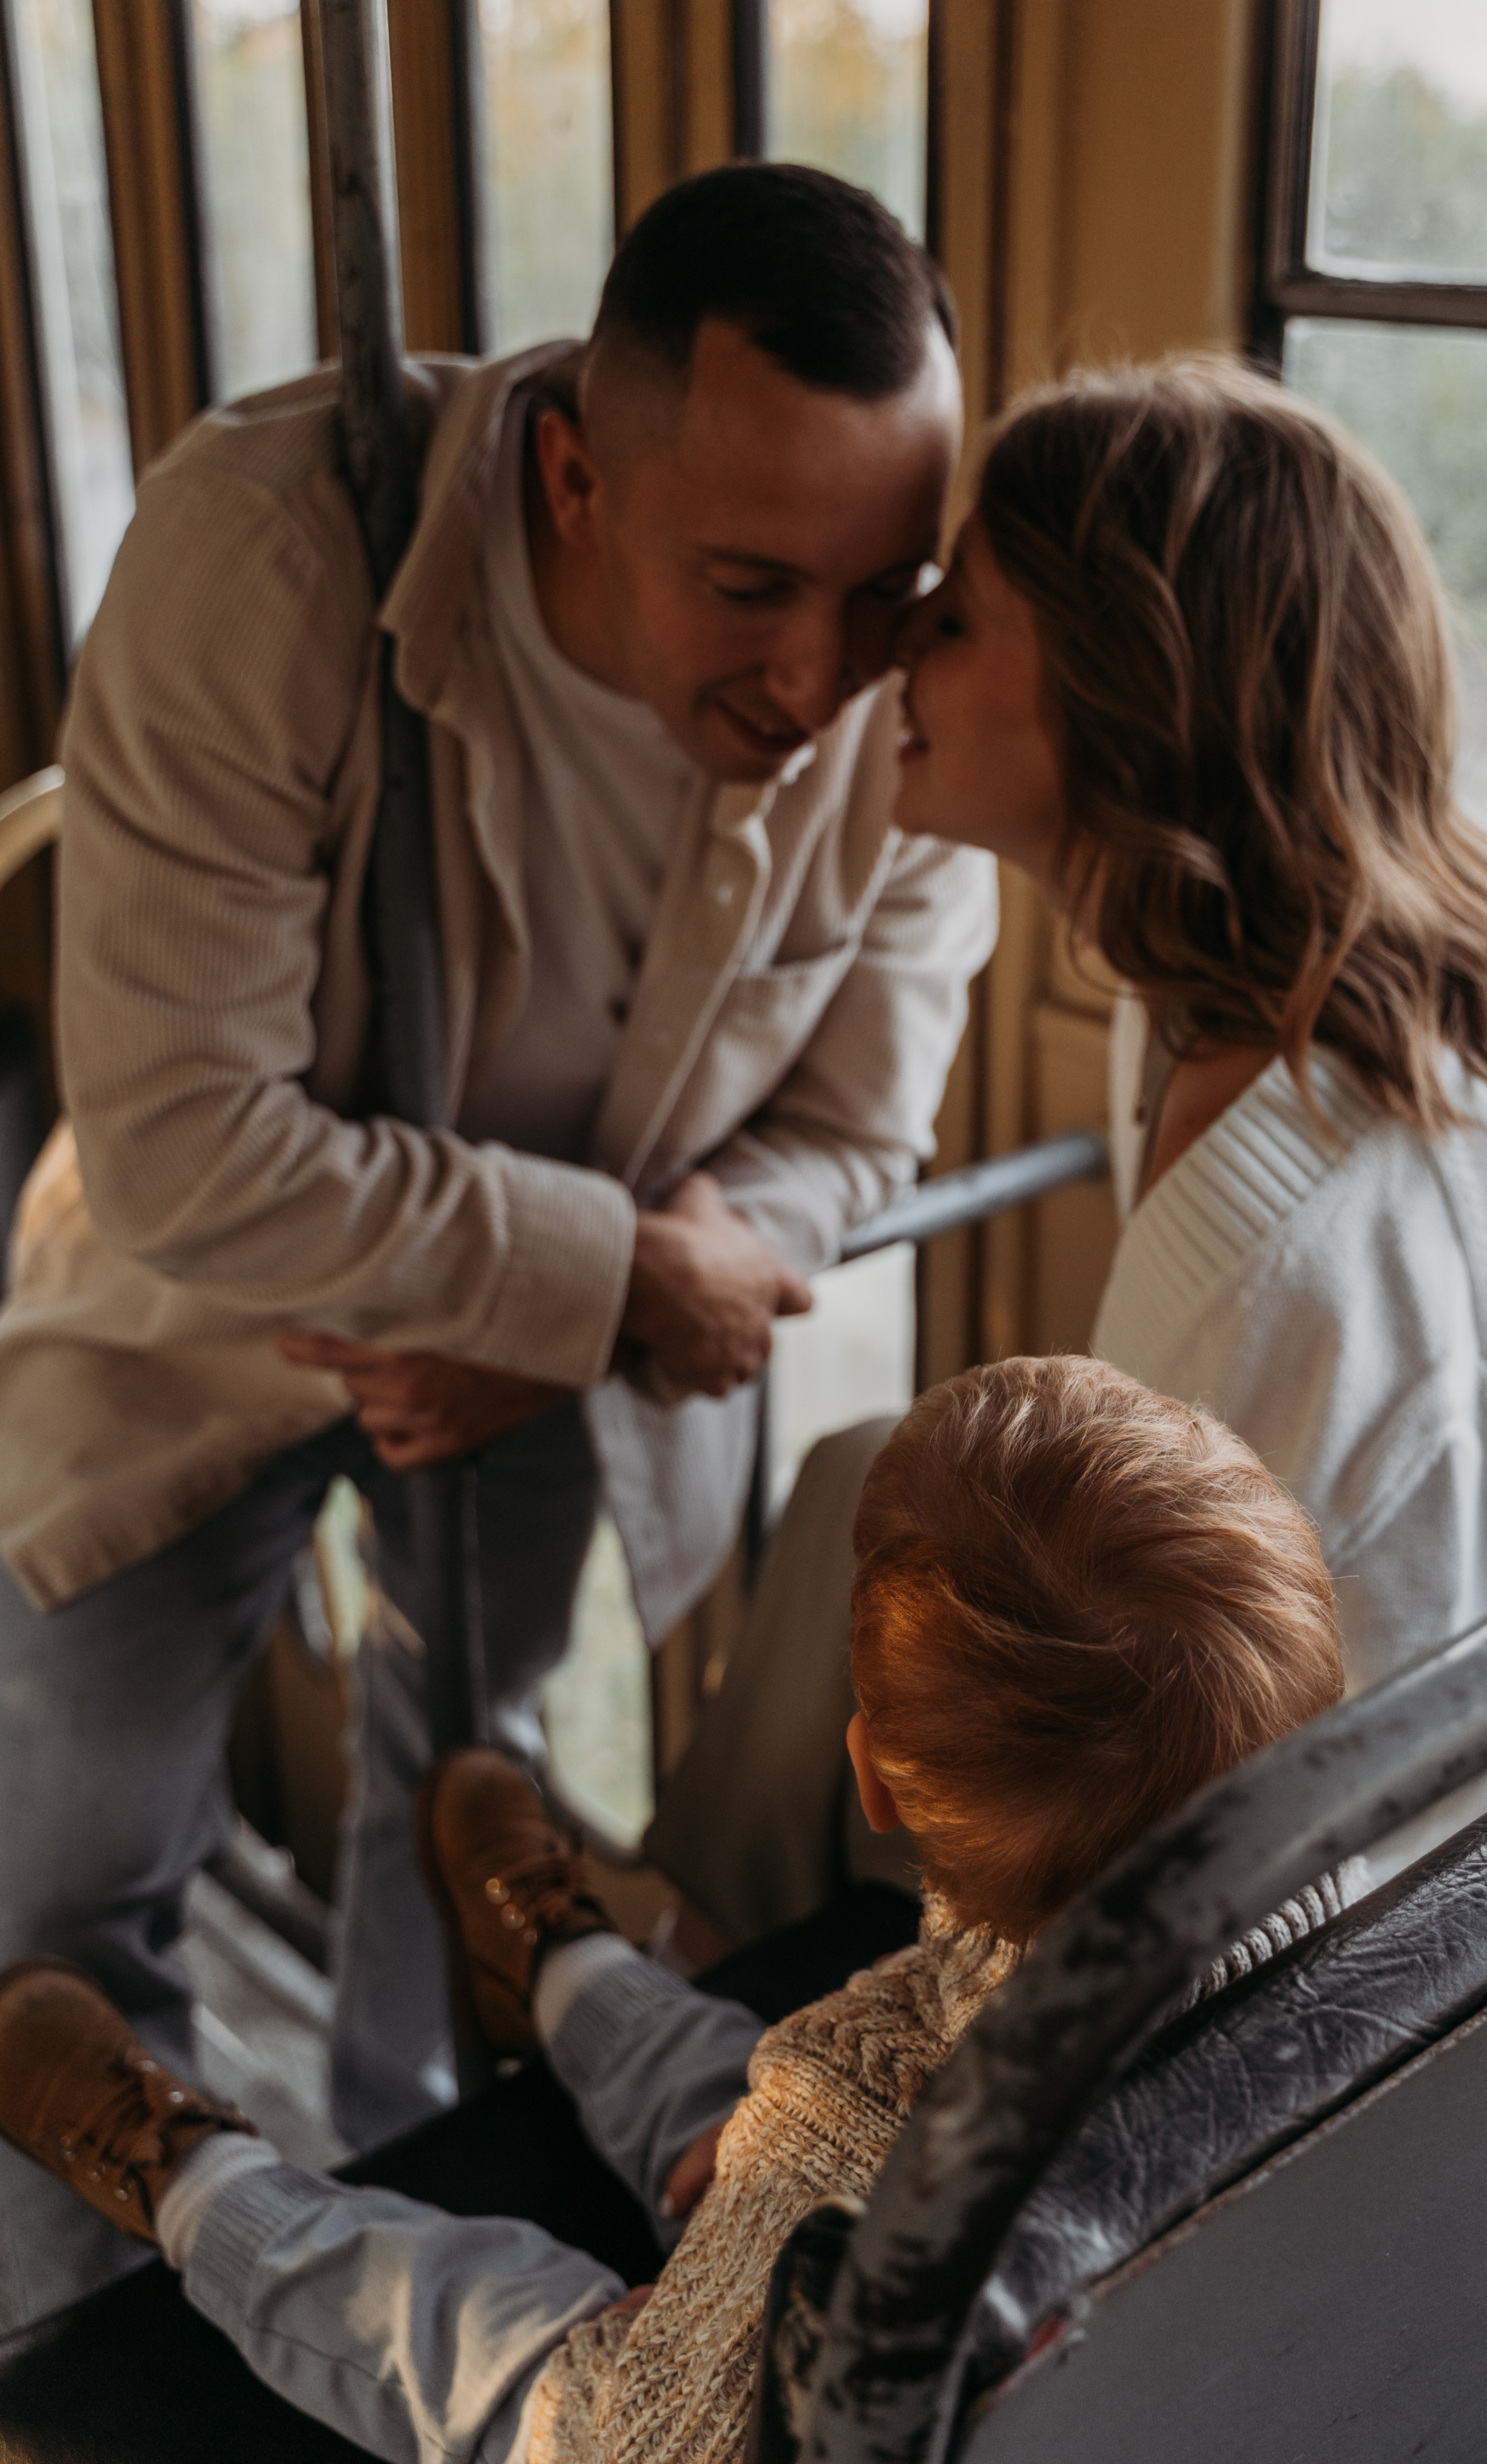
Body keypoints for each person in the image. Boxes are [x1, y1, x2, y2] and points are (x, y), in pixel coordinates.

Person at [0, 161, 998, 2334]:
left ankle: (382, 2235)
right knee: (58, 1893)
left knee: (462, 1826)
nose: (826, 679)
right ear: (570, 473)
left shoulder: (881, 674)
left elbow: (851, 1129)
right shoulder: (268, 550)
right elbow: (183, 1148)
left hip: (549, 1360)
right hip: (188, 1331)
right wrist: (605, 1282)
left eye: (884, 592)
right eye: (751, 588)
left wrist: (585, 1311)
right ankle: (81, 2362)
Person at [664, 352, 1487, 1932]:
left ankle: (664, 1983)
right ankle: (690, 1923)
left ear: (1119, 704)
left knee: (904, 1591)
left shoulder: (1304, 1267)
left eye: (956, 615)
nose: (893, 642)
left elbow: (1247, 1846)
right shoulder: (1270, 998)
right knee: (863, 1473)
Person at [0, 1354, 1350, 2464]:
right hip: (1000, 2185)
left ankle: (181, 2169)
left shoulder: (848, 2144)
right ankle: (560, 1961)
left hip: (688, 2402)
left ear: (872, 1778)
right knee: (743, 2093)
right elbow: (864, 2092)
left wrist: (708, 2323)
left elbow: (656, 2437)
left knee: (469, 2316)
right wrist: (759, 2198)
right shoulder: (1331, 1923)